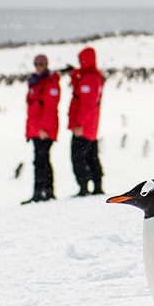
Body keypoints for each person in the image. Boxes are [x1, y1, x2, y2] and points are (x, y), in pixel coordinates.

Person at [66, 46, 106, 197]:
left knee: (78, 157)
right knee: (91, 155)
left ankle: (84, 187)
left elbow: (87, 105)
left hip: (84, 126)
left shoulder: (89, 78)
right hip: (91, 126)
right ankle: (97, 186)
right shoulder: (92, 76)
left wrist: (79, 124)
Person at [23, 54, 61, 203]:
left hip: (44, 131)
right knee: (39, 161)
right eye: (36, 64)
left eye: (41, 64)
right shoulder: (34, 83)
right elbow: (33, 109)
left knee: (42, 161)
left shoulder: (50, 82)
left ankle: (45, 192)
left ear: (46, 65)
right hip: (36, 130)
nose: (38, 67)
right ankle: (40, 192)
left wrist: (44, 128)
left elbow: (50, 108)